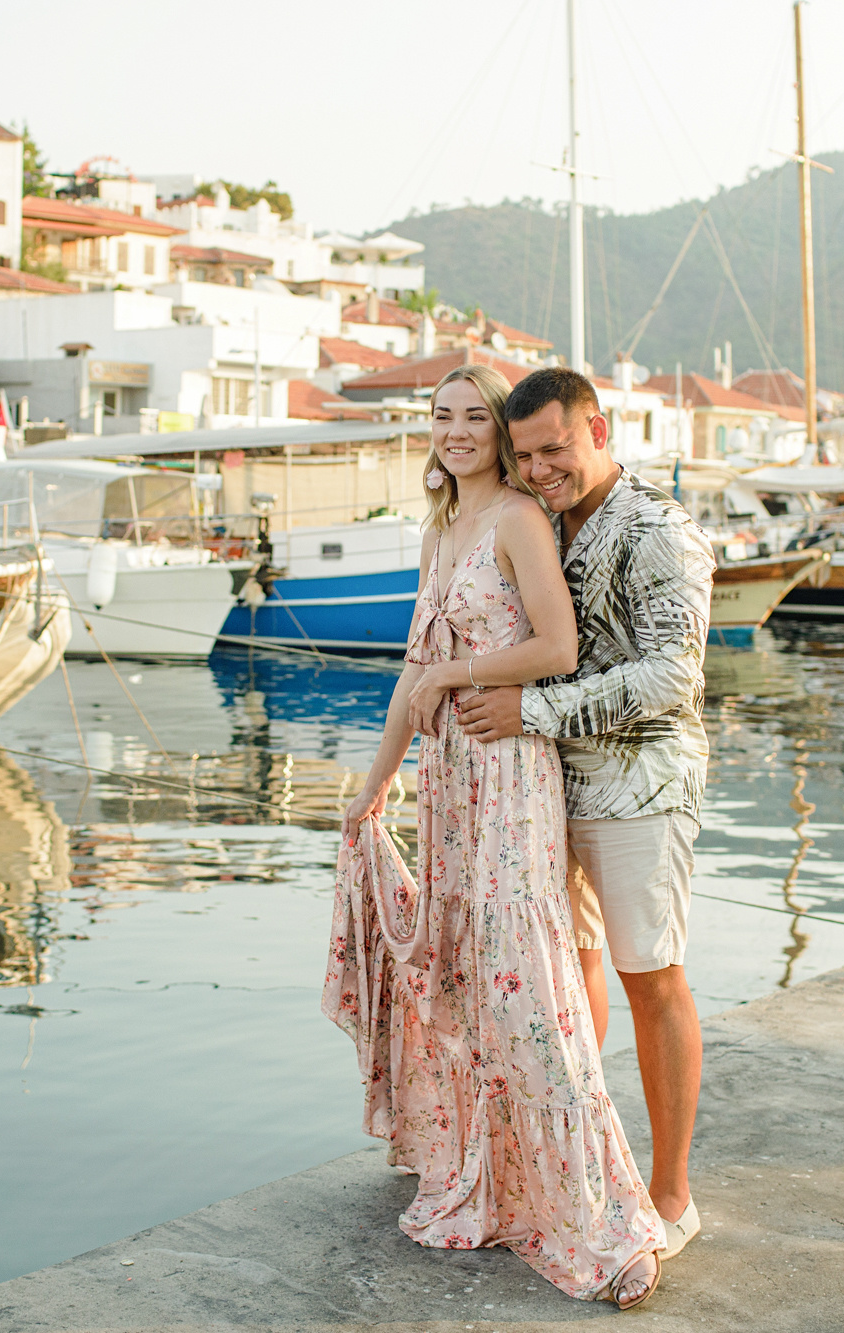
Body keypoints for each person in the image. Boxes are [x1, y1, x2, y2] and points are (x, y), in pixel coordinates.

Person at [324, 363, 664, 1309]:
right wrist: (377, 782)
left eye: (478, 416)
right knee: (469, 982)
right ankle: (499, 1182)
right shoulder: (440, 530)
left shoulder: (518, 518)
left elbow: (557, 648)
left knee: (529, 986)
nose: (459, 431)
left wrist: (454, 676)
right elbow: (412, 674)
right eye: (444, 417)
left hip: (510, 775)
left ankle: (599, 1210)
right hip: (447, 785)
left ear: (505, 436)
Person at [455, 366, 715, 1264]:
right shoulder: (541, 519)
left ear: (599, 428)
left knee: (653, 978)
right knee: (568, 978)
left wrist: (531, 711)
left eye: (554, 448)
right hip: (546, 790)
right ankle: (579, 1170)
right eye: (524, 454)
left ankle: (672, 1195)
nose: (539, 467)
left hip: (642, 786)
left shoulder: (660, 530)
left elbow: (673, 676)